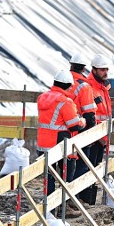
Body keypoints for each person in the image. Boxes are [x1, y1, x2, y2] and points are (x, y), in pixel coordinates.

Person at [37, 69, 86, 215]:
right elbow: (74, 125)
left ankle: (49, 209)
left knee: (48, 177)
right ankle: (65, 208)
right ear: (68, 86)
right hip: (60, 145)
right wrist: (82, 121)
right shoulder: (65, 101)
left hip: (43, 144)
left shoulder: (42, 98)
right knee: (67, 175)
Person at [81, 53, 112, 205]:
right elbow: (90, 115)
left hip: (101, 136)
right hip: (93, 136)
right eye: (102, 70)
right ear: (93, 70)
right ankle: (87, 201)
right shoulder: (90, 88)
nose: (105, 73)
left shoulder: (102, 88)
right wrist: (98, 135)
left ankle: (91, 202)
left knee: (96, 170)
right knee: (89, 169)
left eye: (106, 69)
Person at [67, 52, 97, 188]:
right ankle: (74, 196)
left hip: (63, 129)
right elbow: (89, 114)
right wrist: (91, 135)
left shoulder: (63, 81)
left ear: (71, 65)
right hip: (81, 128)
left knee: (66, 164)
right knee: (81, 164)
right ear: (84, 68)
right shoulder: (84, 86)